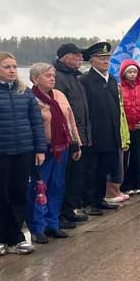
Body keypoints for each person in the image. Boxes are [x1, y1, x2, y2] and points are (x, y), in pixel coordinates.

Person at [0, 52, 45, 255]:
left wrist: (40, 148)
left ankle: (15, 237)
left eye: (14, 67)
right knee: (0, 195)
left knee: (19, 193)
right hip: (0, 152)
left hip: (24, 150)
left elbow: (36, 121)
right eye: (7, 67)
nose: (12, 70)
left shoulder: (24, 92)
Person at [26, 62, 81, 243]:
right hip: (43, 150)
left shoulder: (58, 95)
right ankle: (37, 227)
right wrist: (37, 149)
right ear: (35, 79)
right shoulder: (29, 98)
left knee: (57, 185)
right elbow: (31, 127)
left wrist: (75, 143)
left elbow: (69, 120)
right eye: (48, 76)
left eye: (53, 76)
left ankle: (53, 223)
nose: (52, 79)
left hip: (62, 147)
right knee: (39, 188)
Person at [79, 42, 124, 216]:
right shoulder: (85, 81)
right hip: (95, 133)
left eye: (107, 58)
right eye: (101, 58)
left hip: (111, 132)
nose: (105, 61)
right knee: (92, 169)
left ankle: (100, 199)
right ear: (92, 61)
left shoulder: (111, 79)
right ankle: (89, 202)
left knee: (105, 168)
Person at [53, 44, 91, 228]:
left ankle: (69, 210)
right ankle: (59, 214)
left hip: (79, 133)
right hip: (66, 137)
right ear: (64, 57)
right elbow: (61, 111)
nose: (80, 58)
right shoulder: (58, 78)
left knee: (75, 176)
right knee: (63, 177)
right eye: (76, 55)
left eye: (81, 55)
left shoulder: (75, 77)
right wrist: (72, 139)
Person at [119, 60, 140, 195]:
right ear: (124, 73)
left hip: (138, 127)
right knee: (124, 158)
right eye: (130, 72)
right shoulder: (120, 89)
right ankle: (125, 185)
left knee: (137, 157)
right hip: (125, 129)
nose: (132, 74)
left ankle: (137, 183)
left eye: (134, 72)